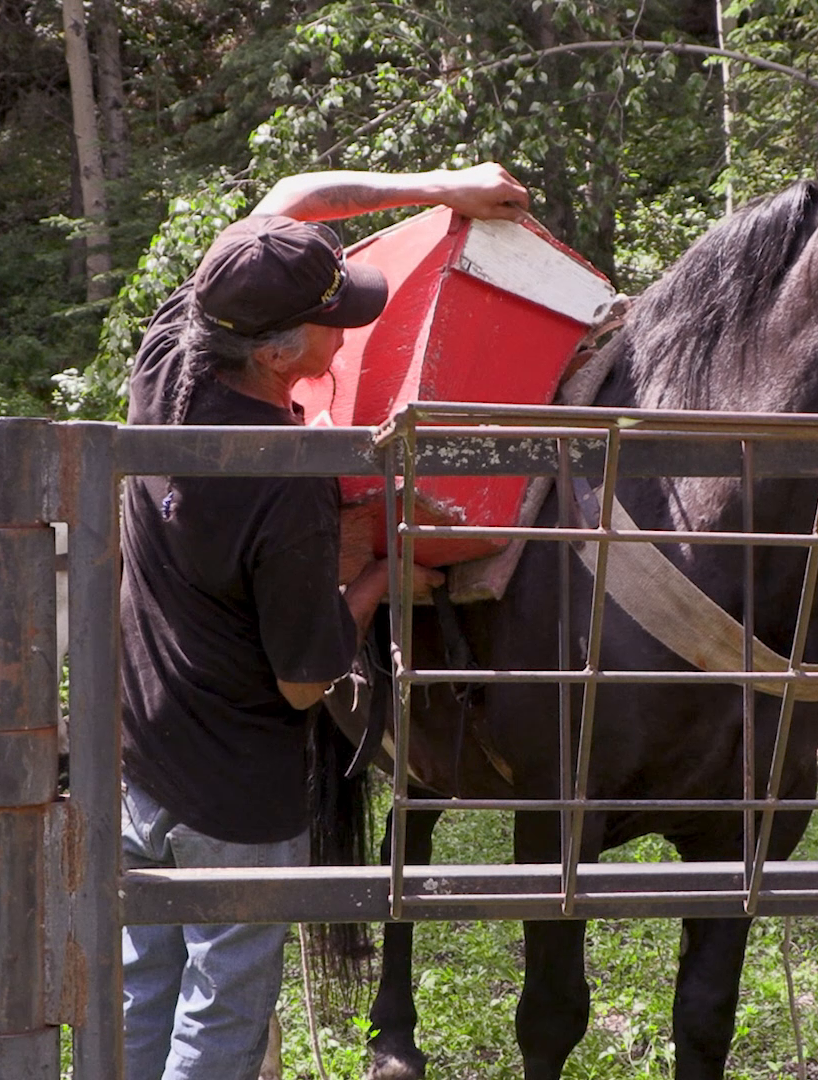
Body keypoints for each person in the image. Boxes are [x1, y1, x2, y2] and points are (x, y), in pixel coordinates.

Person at [118, 164, 530, 1080]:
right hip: (235, 786)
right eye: (335, 321)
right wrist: (385, 565)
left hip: (137, 748)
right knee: (224, 1006)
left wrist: (440, 186)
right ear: (274, 354)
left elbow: (295, 196)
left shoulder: (175, 352)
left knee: (140, 980)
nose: (351, 331)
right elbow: (306, 679)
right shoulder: (289, 481)